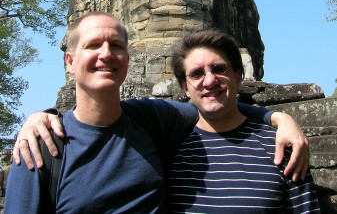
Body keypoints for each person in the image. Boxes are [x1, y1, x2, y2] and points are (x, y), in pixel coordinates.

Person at [6, 13, 309, 213]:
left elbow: (212, 104)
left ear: (127, 57)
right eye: (93, 45)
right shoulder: (41, 147)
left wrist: (278, 118)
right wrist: (40, 116)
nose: (106, 54)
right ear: (69, 62)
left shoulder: (151, 118)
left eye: (116, 45)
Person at [168, 29, 320, 213]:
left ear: (238, 77)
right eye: (196, 74)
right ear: (185, 87)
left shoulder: (281, 148)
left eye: (219, 69)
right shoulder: (169, 151)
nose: (209, 80)